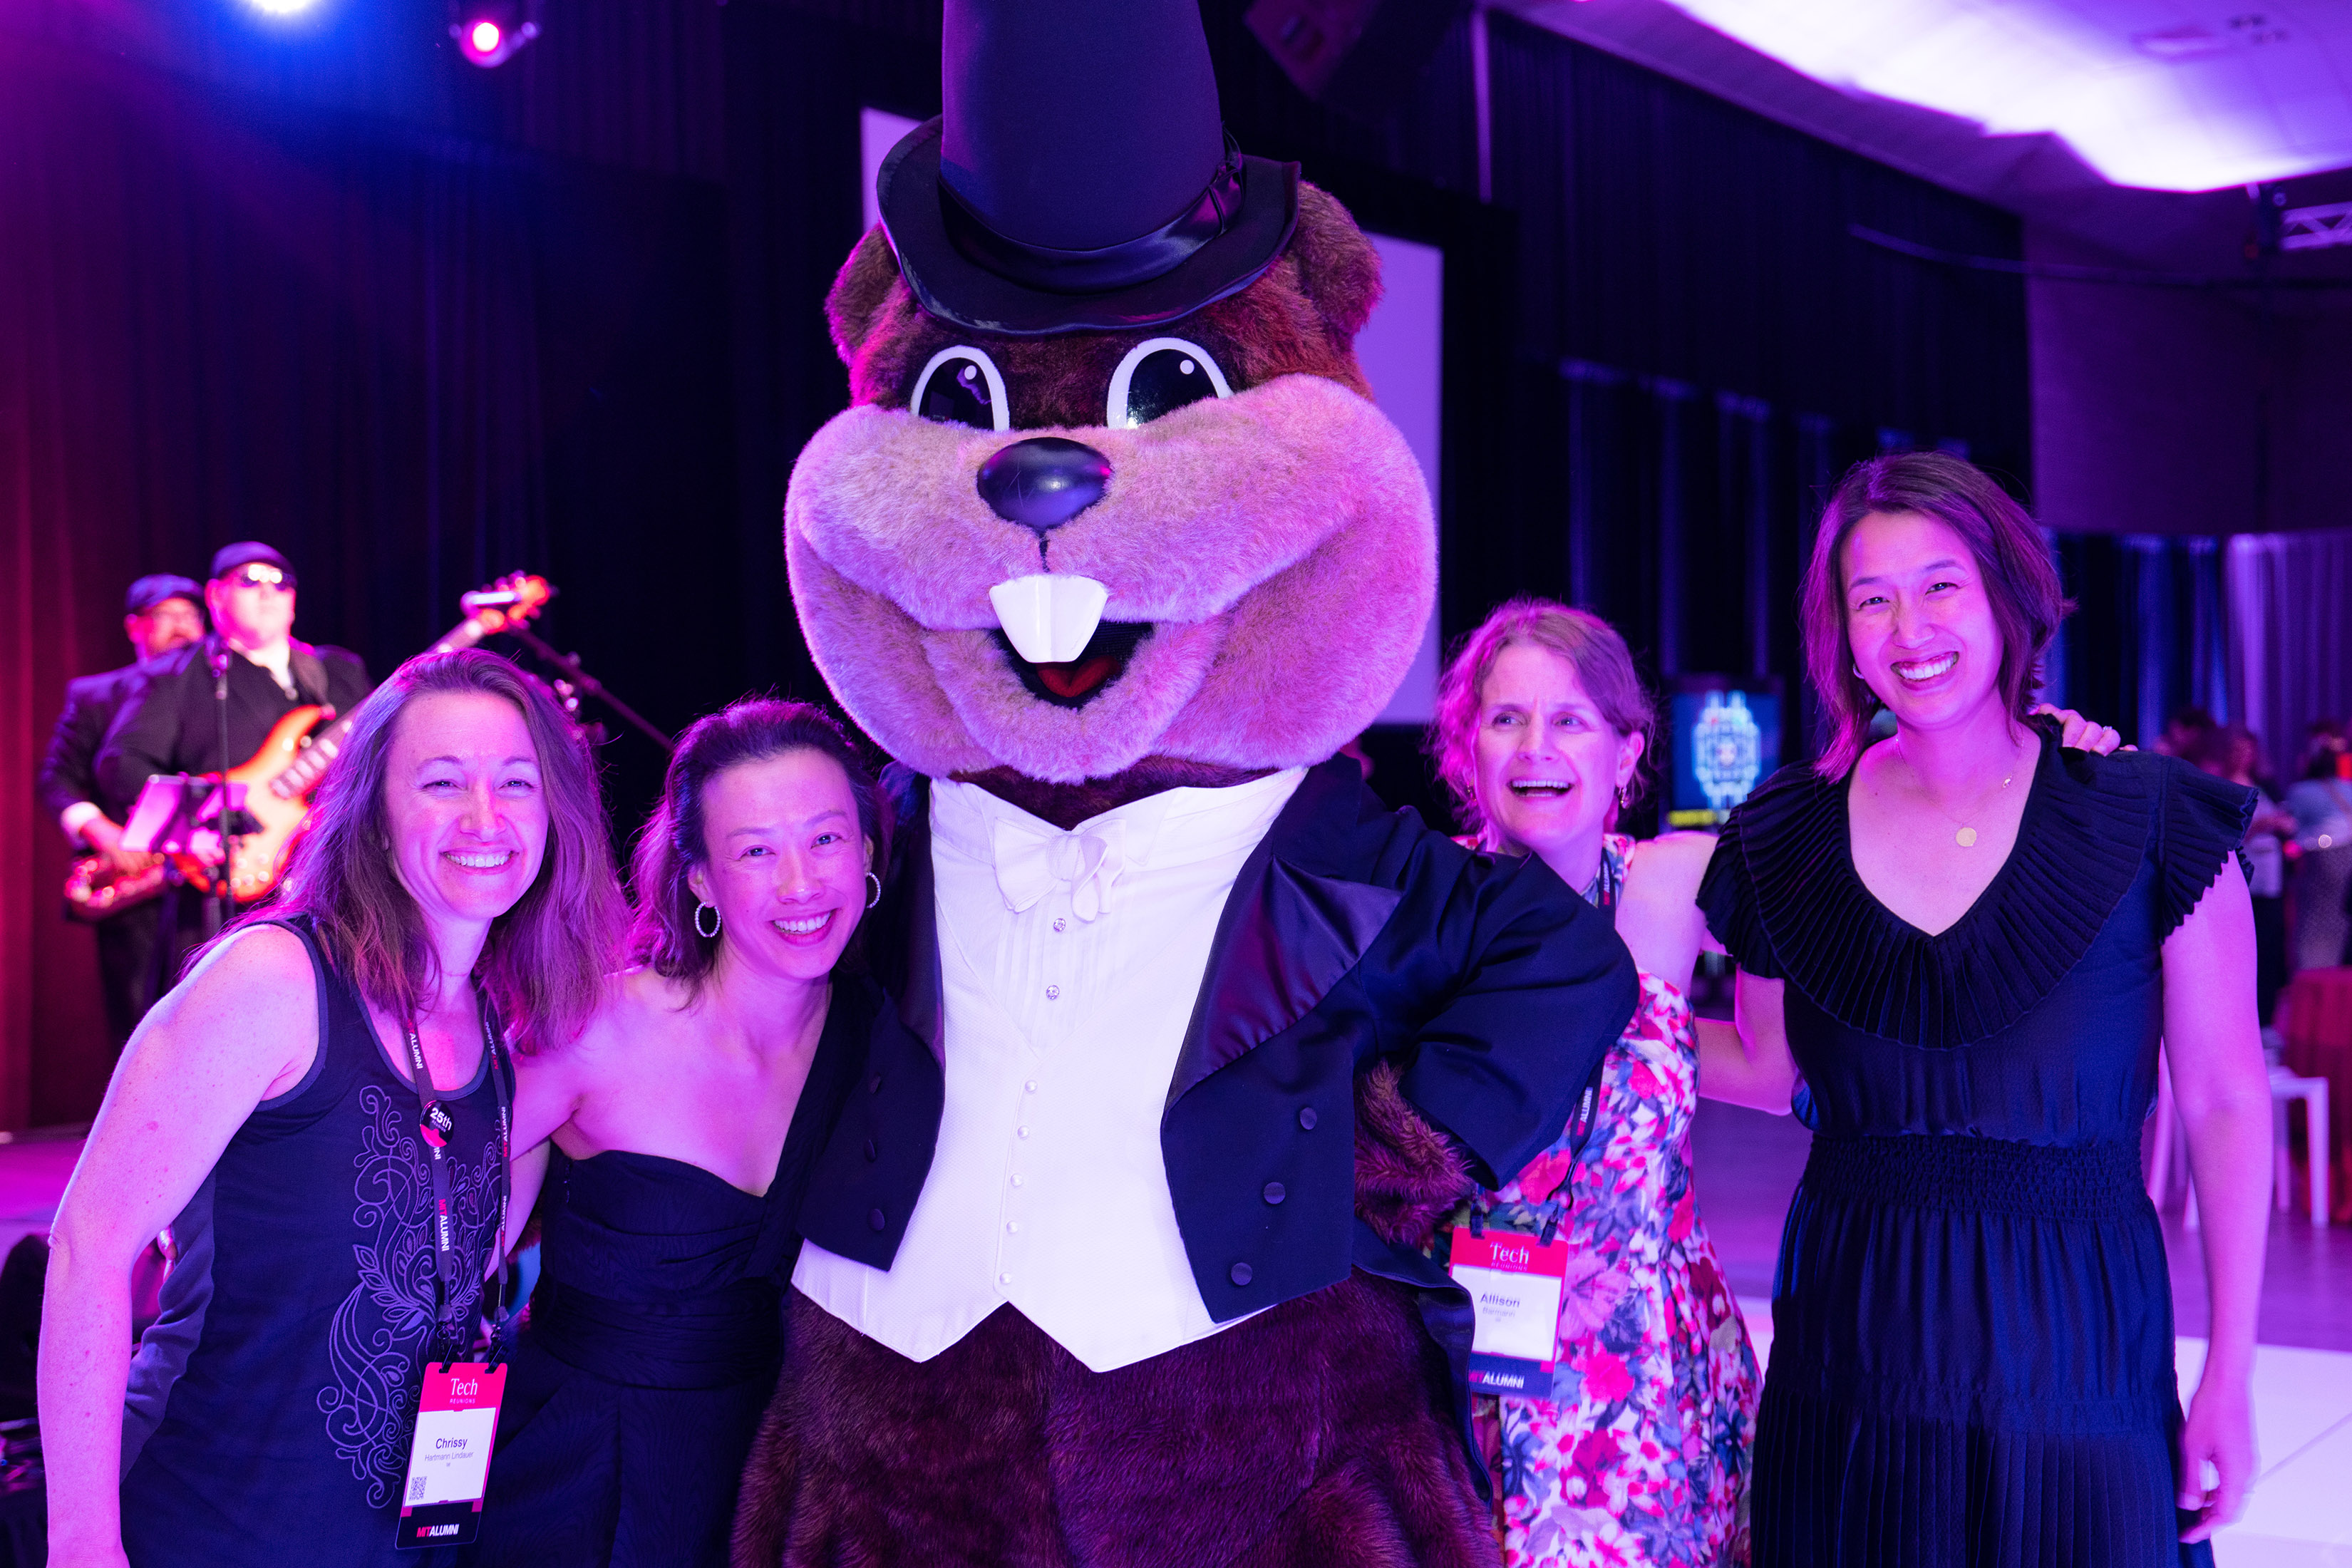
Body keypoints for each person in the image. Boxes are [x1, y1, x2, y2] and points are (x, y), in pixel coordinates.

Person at [1697, 452, 2269, 1564]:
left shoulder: (2146, 819)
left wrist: (2231, 1373)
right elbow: (1766, 1068)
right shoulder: (1786, 832)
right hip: (1848, 1359)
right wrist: (1579, 1012)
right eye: (1873, 598)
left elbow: (2225, 1102)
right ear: (1843, 634)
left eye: (1941, 584)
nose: (1910, 627)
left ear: (2007, 593)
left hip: (2080, 1363)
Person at [40, 649, 621, 1567]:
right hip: (196, 1525)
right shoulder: (274, 977)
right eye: (441, 782)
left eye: (518, 782)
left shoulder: (504, 1034)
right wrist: (81, 1545)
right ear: (377, 817)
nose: (486, 817)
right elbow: (86, 1248)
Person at [475, 701, 884, 1567]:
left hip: (777, 1478)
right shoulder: (601, 1029)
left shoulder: (883, 1047)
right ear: (699, 877)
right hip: (574, 1482)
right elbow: (430, 1222)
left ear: (870, 852)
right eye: (755, 851)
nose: (801, 884)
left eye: (825, 839)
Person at [1428, 599, 1761, 1567]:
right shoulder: (1422, 906)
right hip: (1460, 1362)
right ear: (1466, 750)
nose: (1539, 746)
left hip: (1645, 1373)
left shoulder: (1675, 885)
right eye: (1506, 718)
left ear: (1627, 752)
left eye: (1572, 718)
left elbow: (1768, 1070)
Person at [95, 541, 372, 961]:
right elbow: (123, 763)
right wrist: (191, 830)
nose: (268, 591)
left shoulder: (339, 671)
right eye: (250, 580)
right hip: (234, 899)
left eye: (281, 583)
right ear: (216, 596)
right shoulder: (177, 675)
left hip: (337, 883)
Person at [37, 575, 207, 1049]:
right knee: (142, 1024)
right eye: (166, 616)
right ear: (135, 627)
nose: (182, 628)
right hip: (139, 885)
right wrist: (106, 835)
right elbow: (57, 778)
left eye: (191, 616)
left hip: (214, 879)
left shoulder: (219, 694)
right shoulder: (96, 695)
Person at [2196, 725, 2293, 1026]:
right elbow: (2219, 830)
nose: (2244, 756)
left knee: (2269, 945)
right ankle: (2238, 1020)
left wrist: (2283, 825)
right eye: (2238, 750)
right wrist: (2262, 825)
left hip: (2271, 875)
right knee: (2239, 950)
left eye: (2249, 750)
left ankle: (2266, 1020)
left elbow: (2287, 819)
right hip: (2238, 871)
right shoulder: (2218, 783)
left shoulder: (2265, 783)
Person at [2284, 731, 2352, 973]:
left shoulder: (2301, 791)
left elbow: (2290, 828)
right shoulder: (2348, 788)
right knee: (2340, 920)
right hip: (2348, 858)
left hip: (2319, 858)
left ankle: (2311, 982)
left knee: (2313, 921)